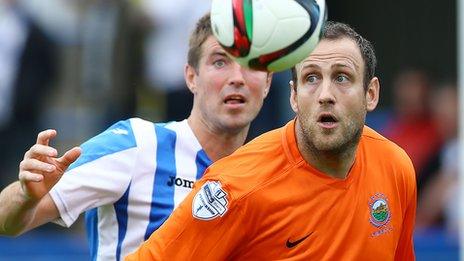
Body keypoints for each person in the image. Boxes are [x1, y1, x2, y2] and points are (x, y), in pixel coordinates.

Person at [127, 21, 417, 260]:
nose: (325, 94)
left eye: (342, 78)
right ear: (293, 95)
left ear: (371, 94)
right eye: (311, 78)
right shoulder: (235, 188)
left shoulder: (395, 166)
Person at [0, 13, 272, 260]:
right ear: (191, 77)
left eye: (251, 65)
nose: (237, 77)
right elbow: (7, 221)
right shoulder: (137, 144)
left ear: (268, 82)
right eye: (220, 62)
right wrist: (26, 196)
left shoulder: (267, 176)